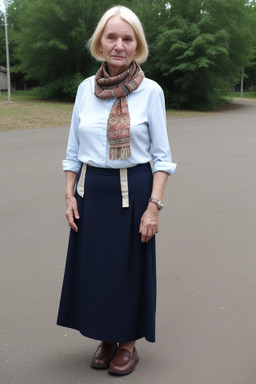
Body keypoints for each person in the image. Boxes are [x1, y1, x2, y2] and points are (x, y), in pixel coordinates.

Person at [57, 5, 176, 376]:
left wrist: (153, 206)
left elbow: (161, 156)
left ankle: (127, 343)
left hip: (135, 190)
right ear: (100, 43)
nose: (119, 45)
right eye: (112, 37)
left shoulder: (151, 92)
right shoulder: (85, 89)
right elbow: (73, 151)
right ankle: (104, 338)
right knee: (96, 269)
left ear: (136, 45)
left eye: (127, 38)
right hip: (93, 193)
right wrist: (68, 195)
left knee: (128, 269)